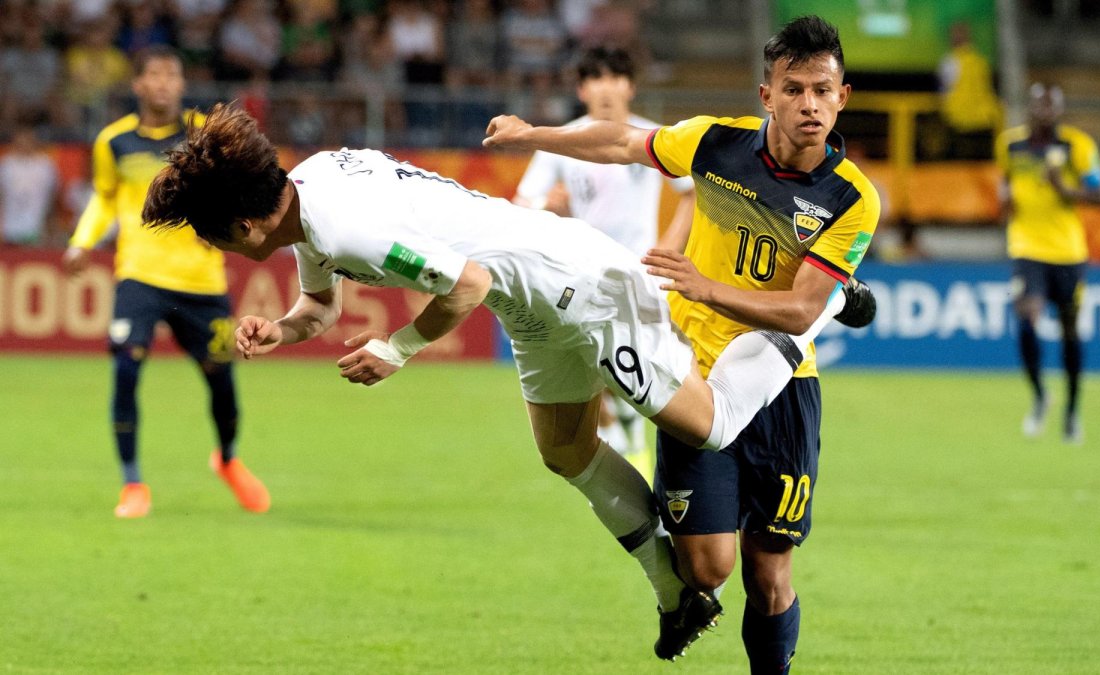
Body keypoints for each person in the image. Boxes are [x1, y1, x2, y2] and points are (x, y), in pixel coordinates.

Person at [140, 103, 874, 660]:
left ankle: (822, 309)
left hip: (574, 282)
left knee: (710, 422)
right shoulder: (307, 192)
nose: (219, 250)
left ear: (241, 225)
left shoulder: (343, 225)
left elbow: (465, 282)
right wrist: (280, 329)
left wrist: (395, 349)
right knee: (564, 449)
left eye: (211, 236)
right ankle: (676, 595)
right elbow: (320, 305)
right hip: (525, 299)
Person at [484, 14, 880, 671]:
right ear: (767, 96)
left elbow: (801, 308)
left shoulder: (852, 199)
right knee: (707, 568)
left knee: (768, 568)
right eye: (793, 89)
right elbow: (620, 141)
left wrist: (705, 286)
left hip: (780, 387)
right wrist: (536, 134)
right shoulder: (714, 144)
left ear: (842, 96)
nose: (808, 104)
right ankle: (680, 590)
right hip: (691, 377)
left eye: (821, 89)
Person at [61, 46, 270, 519]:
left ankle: (229, 459)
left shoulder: (205, 134)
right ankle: (133, 483)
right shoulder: (113, 141)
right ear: (137, 84)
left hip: (201, 281)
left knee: (221, 379)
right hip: (139, 274)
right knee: (126, 368)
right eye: (153, 75)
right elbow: (104, 199)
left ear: (181, 83)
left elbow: (236, 188)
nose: (162, 83)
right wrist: (81, 242)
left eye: (171, 75)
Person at [514, 46, 696, 476]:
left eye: (616, 77)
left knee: (641, 364)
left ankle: (631, 432)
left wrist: (670, 244)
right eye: (596, 78)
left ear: (630, 86)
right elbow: (522, 201)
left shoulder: (656, 138)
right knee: (595, 361)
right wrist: (546, 204)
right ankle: (624, 435)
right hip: (583, 270)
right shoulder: (562, 140)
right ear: (582, 89)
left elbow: (692, 192)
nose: (607, 88)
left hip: (640, 271)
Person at [995, 83, 1100, 444]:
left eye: (1051, 105)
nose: (1044, 111)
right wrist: (1005, 200)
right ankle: (1041, 395)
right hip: (1026, 246)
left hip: (1067, 251)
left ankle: (1072, 410)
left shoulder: (1077, 146)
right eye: (1038, 104)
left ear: (1059, 109)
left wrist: (1065, 190)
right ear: (1029, 108)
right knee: (1026, 317)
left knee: (1070, 331)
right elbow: (1006, 184)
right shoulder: (1010, 145)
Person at [936, 20, 1000, 160]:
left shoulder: (949, 62)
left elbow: (943, 89)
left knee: (960, 167)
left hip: (959, 122)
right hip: (984, 121)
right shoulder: (981, 61)